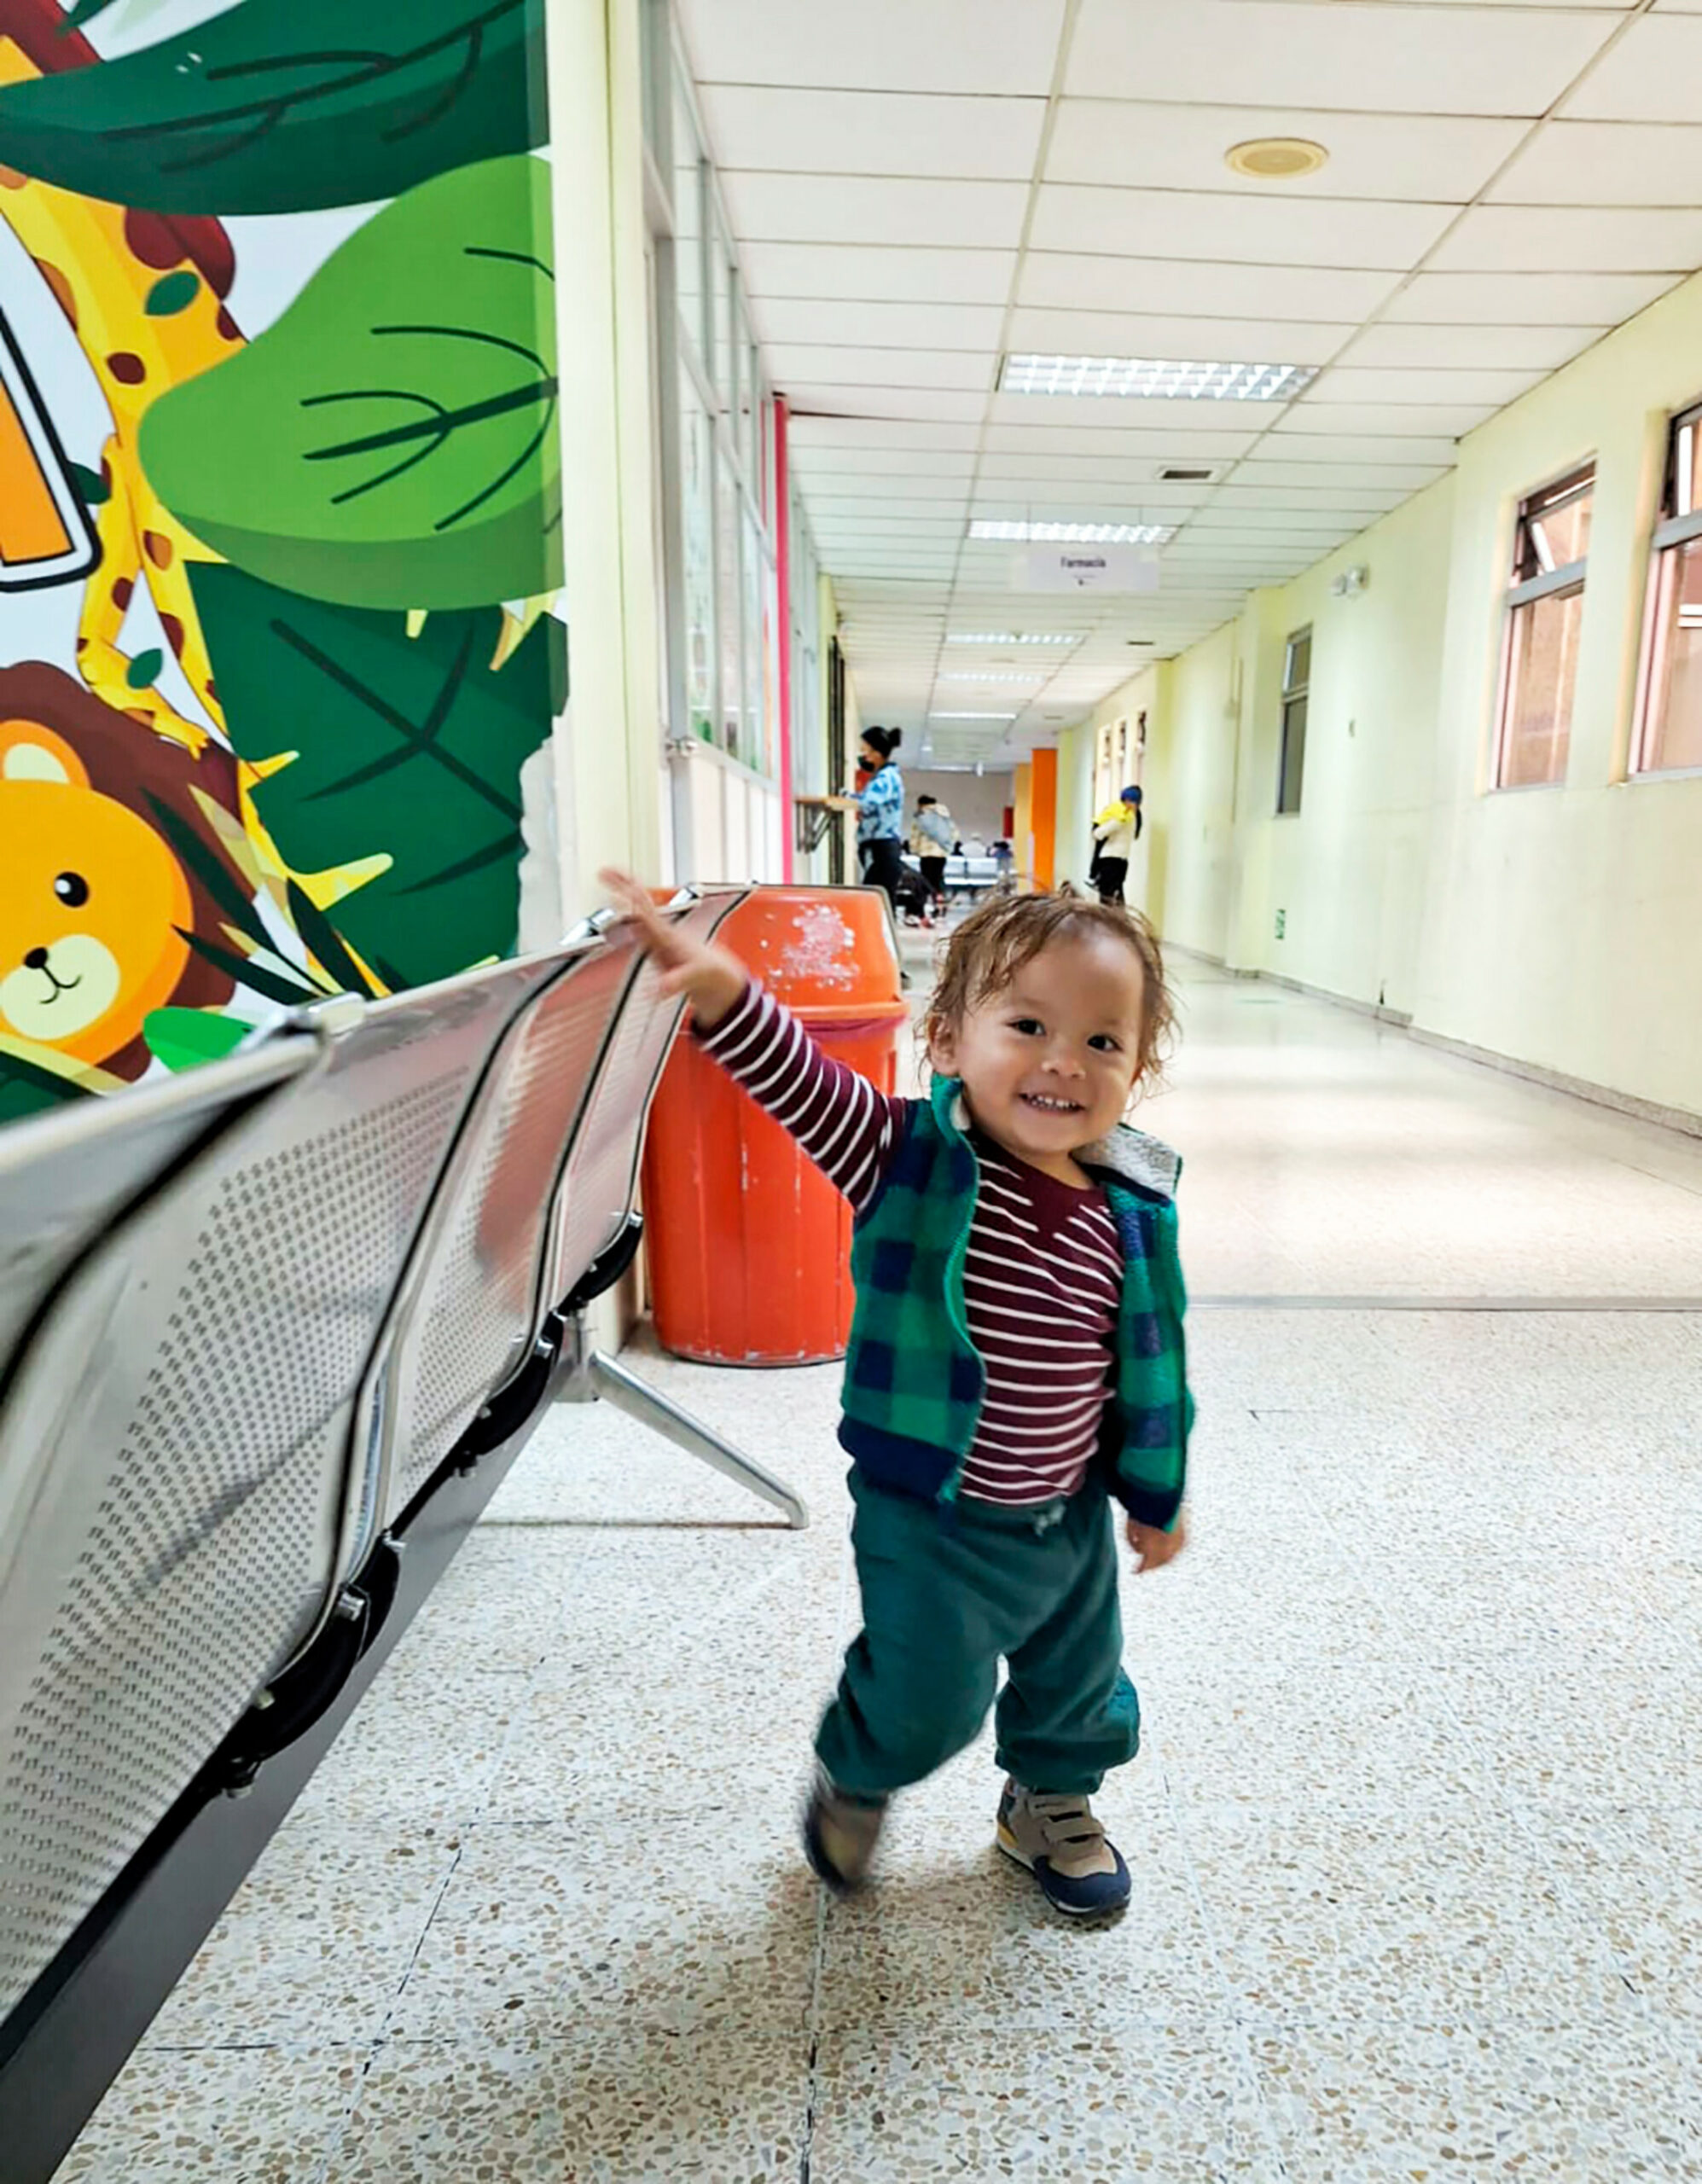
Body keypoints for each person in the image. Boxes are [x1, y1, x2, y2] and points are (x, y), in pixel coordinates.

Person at [601, 872, 1193, 1919]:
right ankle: (861, 1765)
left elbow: (1150, 1367)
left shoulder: (1133, 1207)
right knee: (926, 1698)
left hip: (1066, 1520)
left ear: (1136, 1068)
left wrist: (1155, 1490)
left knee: (1080, 1686)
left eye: (1103, 1042)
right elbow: (807, 1087)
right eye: (1028, 1024)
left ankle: (1046, 1801)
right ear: (948, 1039)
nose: (1063, 1059)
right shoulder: (908, 1156)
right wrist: (726, 994)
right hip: (930, 1515)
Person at [836, 727, 904, 907]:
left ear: (877, 752)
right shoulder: (885, 776)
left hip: (881, 846)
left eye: (864, 749)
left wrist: (846, 799)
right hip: (882, 846)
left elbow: (868, 801)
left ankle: (877, 935)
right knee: (878, 899)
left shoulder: (886, 778)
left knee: (874, 900)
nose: (862, 754)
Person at [1092, 786, 1142, 907]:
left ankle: (1109, 923)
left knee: (1107, 898)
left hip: (1112, 860)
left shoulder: (1123, 818)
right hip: (1117, 861)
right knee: (1115, 896)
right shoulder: (1133, 818)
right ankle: (1116, 923)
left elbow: (1098, 834)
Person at [911, 793, 955, 918]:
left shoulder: (921, 816)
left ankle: (925, 907)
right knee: (939, 879)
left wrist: (914, 849)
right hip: (941, 853)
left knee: (926, 880)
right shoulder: (944, 816)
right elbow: (953, 834)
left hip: (926, 853)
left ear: (921, 804)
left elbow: (916, 835)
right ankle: (940, 903)